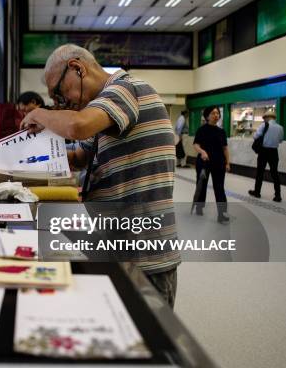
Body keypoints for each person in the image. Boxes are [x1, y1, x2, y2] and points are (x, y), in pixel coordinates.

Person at [20, 44, 179, 307]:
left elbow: (77, 126)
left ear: (77, 68)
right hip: (117, 244)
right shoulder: (103, 110)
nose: (63, 103)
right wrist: (30, 158)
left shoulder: (125, 89)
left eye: (59, 93)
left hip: (144, 254)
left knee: (148, 338)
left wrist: (40, 114)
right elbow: (80, 157)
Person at [193, 106, 230, 223]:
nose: (216, 115)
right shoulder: (202, 130)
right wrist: (202, 152)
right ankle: (199, 206)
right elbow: (196, 145)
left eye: (217, 113)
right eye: (213, 113)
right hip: (204, 163)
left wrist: (227, 162)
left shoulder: (221, 132)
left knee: (219, 188)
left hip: (219, 163)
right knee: (202, 185)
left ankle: (222, 213)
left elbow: (225, 148)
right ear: (207, 116)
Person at [249, 110, 284, 202]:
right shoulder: (280, 127)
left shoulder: (264, 125)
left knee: (260, 172)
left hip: (263, 152)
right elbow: (280, 140)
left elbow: (255, 137)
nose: (264, 120)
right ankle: (278, 195)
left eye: (264, 118)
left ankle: (257, 192)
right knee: (275, 173)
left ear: (267, 117)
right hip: (274, 152)